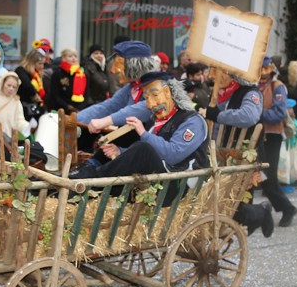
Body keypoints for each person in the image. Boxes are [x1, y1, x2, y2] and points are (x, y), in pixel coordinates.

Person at [70, 71, 208, 203]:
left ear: (168, 92)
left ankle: (90, 179)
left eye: (154, 96)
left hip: (177, 187)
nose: (150, 104)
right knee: (118, 184)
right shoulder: (159, 121)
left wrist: (143, 133)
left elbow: (173, 155)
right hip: (154, 183)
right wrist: (121, 152)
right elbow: (152, 154)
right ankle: (79, 187)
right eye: (146, 98)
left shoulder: (193, 121)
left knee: (142, 148)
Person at [203, 68, 273, 238]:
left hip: (243, 155)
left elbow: (248, 117)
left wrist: (217, 115)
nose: (215, 76)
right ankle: (249, 221)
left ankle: (261, 212)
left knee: (234, 204)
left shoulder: (252, 93)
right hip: (224, 154)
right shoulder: (230, 93)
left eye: (221, 73)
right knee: (223, 199)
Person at [255, 58, 297, 227]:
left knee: (268, 176)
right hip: (257, 135)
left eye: (266, 67)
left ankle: (287, 208)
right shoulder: (255, 85)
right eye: (261, 67)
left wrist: (257, 114)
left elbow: (279, 112)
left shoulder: (277, 86)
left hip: (272, 135)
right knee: (259, 175)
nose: (263, 71)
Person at [48, 48, 89, 113]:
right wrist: (67, 106)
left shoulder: (82, 74)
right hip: (62, 110)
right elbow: (55, 95)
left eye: (75, 56)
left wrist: (80, 108)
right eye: (70, 56)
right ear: (64, 58)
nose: (73, 58)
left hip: (79, 110)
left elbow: (86, 94)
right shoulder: (58, 73)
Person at [15, 48, 47, 127]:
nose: (42, 66)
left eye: (43, 64)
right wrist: (35, 95)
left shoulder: (37, 75)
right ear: (32, 62)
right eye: (40, 64)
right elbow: (27, 85)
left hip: (34, 110)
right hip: (23, 109)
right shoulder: (21, 70)